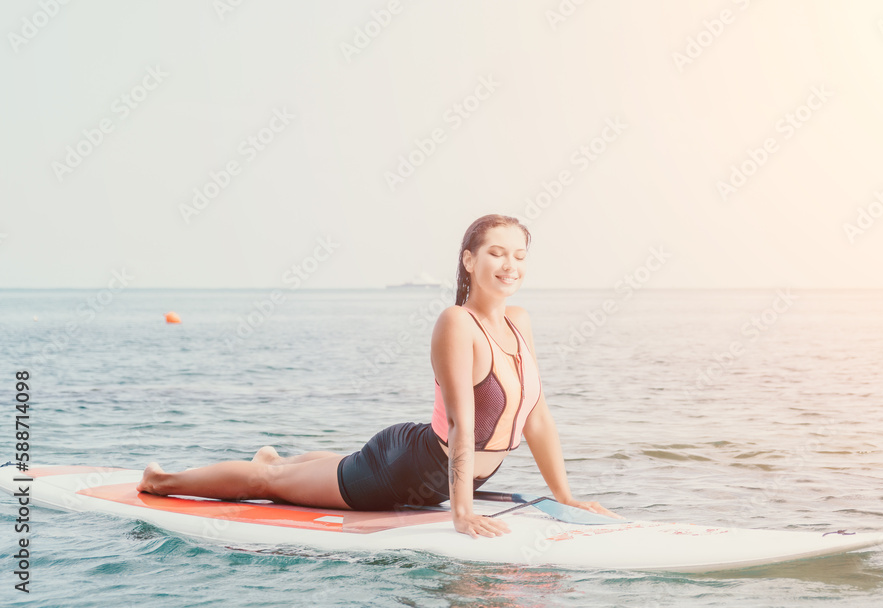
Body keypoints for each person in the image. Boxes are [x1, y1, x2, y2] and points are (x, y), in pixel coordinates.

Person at [137, 213, 621, 538]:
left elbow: (535, 416)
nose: (509, 265)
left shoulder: (520, 321)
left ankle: (279, 457)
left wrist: (565, 497)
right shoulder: (457, 323)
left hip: (444, 472)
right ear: (470, 261)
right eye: (497, 253)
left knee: (306, 467)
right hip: (401, 470)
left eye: (519, 256)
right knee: (269, 482)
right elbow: (461, 425)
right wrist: (461, 513)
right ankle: (162, 480)